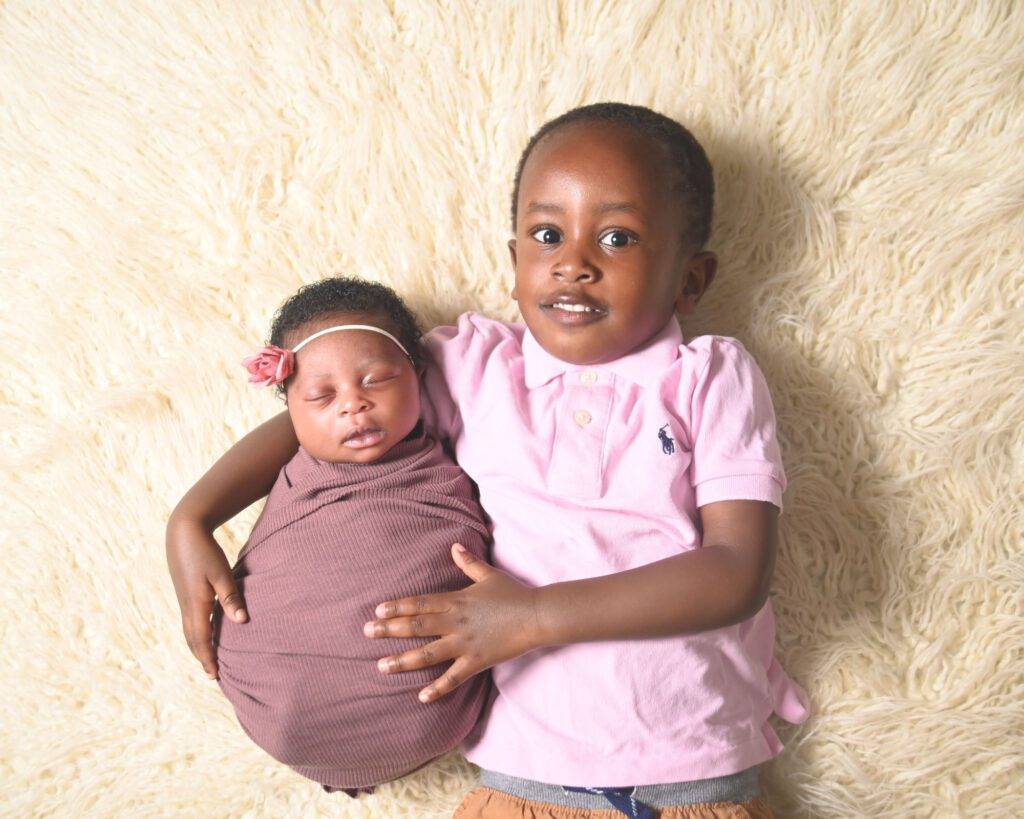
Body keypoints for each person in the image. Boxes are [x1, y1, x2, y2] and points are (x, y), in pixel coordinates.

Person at [167, 102, 810, 818]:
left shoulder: (708, 375)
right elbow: (333, 417)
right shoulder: (475, 367)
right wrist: (193, 516)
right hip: (523, 778)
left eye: (618, 237)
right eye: (546, 234)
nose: (574, 262)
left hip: (696, 773)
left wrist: (532, 615)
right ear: (513, 264)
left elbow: (735, 572)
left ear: (691, 279)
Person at [169, 277, 493, 798]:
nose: (353, 405)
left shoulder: (453, 445)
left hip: (424, 707)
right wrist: (187, 521)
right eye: (322, 395)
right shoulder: (299, 465)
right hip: (271, 693)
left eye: (379, 380)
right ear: (291, 408)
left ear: (418, 374)